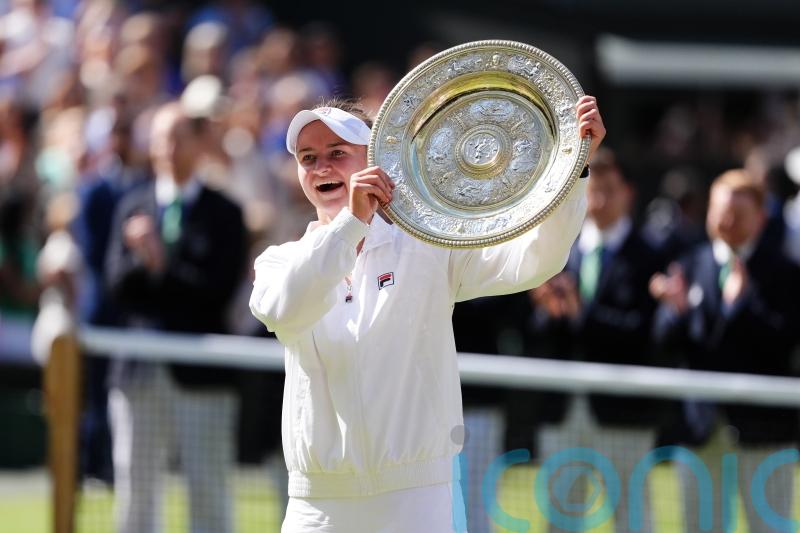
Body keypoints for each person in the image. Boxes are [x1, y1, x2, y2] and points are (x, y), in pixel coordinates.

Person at [249, 95, 605, 532]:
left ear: (375, 159)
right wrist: (351, 225)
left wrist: (574, 165)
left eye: (337, 153)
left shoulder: (427, 246)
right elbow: (287, 309)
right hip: (317, 505)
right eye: (309, 158)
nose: (321, 167)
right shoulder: (279, 261)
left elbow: (535, 260)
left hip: (418, 498)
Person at [105, 101, 247, 533]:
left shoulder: (225, 212)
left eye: (176, 138)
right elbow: (116, 286)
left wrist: (156, 263)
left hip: (202, 376)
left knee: (208, 490)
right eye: (159, 138)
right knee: (136, 490)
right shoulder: (133, 205)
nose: (166, 148)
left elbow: (215, 290)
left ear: (200, 145)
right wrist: (146, 266)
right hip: (139, 373)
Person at [651, 169, 800, 533]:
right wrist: (675, 311)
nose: (727, 222)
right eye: (719, 212)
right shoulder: (689, 264)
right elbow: (664, 341)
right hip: (701, 427)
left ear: (761, 218)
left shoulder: (785, 273)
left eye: (738, 214)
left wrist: (741, 303)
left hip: (764, 431)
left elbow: (783, 344)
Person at [527, 147, 665, 533]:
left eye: (608, 190)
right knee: (560, 518)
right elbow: (539, 333)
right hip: (564, 410)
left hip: (624, 413)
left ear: (628, 193)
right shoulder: (560, 250)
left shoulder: (650, 255)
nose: (598, 201)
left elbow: (645, 334)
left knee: (631, 518)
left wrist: (580, 314)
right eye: (592, 191)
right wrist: (547, 309)